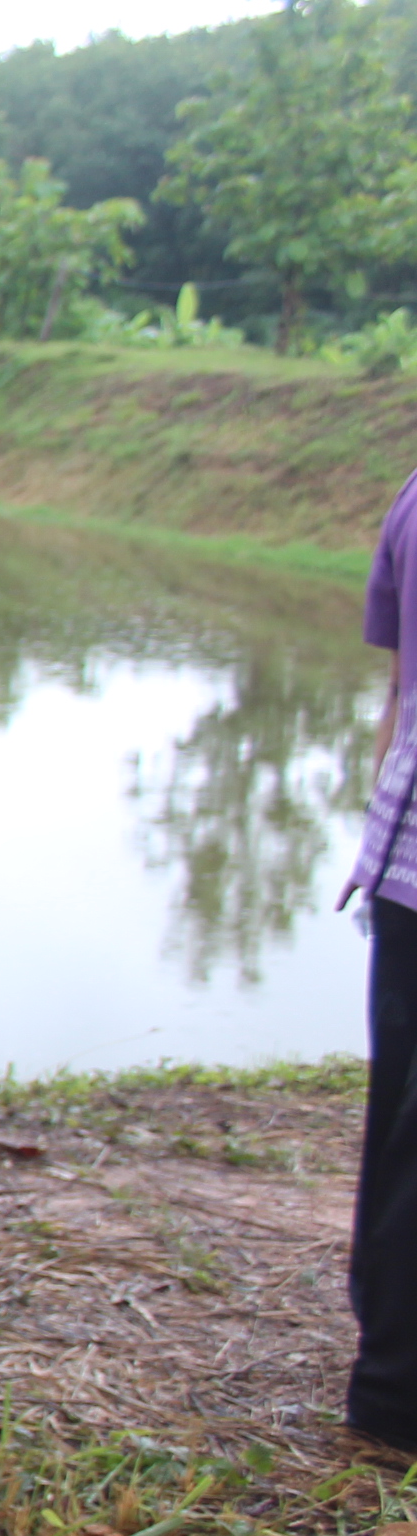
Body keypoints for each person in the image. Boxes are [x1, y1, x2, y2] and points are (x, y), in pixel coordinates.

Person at [341, 466, 417, 1454]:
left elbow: (400, 688)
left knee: (399, 1118)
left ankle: (389, 1377)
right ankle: (396, 1394)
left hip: (402, 854)